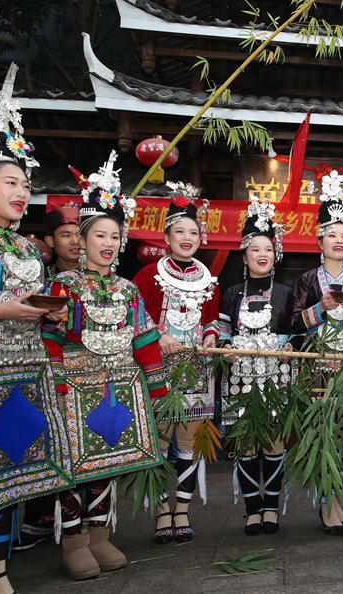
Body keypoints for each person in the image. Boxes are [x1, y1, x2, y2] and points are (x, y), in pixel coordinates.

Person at [0, 64, 69, 594]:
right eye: (10, 183)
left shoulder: (28, 248)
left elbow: (35, 300)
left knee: (11, 469)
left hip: (25, 370)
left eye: (26, 183)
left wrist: (52, 312)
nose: (22, 192)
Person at [42, 151, 167, 580]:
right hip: (75, 390)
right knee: (74, 467)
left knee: (108, 463)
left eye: (115, 236)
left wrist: (159, 392)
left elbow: (145, 340)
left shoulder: (128, 290)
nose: (109, 243)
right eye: (100, 235)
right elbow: (50, 340)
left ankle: (100, 535)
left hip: (119, 386)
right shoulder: (64, 285)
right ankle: (74, 541)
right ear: (83, 239)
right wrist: (57, 388)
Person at [133, 182, 220, 544]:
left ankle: (181, 507)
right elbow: (134, 316)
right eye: (179, 231)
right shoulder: (148, 274)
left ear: (202, 237)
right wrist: (158, 336)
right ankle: (159, 510)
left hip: (197, 371)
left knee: (189, 443)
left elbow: (213, 318)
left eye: (193, 232)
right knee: (158, 441)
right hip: (158, 370)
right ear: (166, 236)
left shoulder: (208, 277)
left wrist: (212, 336)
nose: (187, 237)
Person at [290, 171, 343, 535]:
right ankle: (326, 507)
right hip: (319, 367)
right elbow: (294, 324)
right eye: (332, 235)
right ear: (319, 240)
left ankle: (337, 501)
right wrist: (320, 308)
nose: (339, 241)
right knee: (322, 433)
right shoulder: (307, 280)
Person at [217, 196, 293, 536]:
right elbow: (220, 332)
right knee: (247, 443)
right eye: (255, 249)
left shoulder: (287, 293)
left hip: (276, 377)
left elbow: (296, 333)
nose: (262, 254)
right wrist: (224, 348)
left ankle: (272, 507)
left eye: (268, 249)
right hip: (240, 378)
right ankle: (252, 508)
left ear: (275, 255)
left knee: (274, 442)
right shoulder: (231, 292)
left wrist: (289, 346)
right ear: (245, 256)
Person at [13, 204, 82, 553]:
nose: (74, 243)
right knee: (45, 441)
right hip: (44, 369)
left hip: (90, 377)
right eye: (65, 235)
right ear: (49, 240)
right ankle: (40, 516)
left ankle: (82, 528)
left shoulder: (102, 278)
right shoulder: (35, 279)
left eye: (77, 235)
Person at [43, 203, 81, 276]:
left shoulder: (101, 276)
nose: (75, 241)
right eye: (66, 235)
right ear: (50, 241)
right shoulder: (42, 277)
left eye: (80, 234)